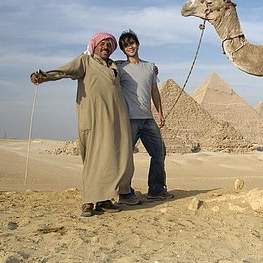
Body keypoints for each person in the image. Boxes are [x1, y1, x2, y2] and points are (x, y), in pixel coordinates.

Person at [30, 32, 138, 217]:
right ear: (94, 46)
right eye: (102, 44)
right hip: (95, 120)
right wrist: (43, 76)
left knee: (113, 159)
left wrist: (152, 69)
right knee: (94, 160)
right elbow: (64, 71)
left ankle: (105, 199)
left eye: (109, 45)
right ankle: (89, 201)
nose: (105, 47)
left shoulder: (114, 66)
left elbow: (137, 69)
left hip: (116, 121)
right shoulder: (85, 61)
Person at [117, 29, 173, 201]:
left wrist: (160, 113)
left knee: (159, 153)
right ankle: (123, 192)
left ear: (138, 44)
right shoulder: (119, 67)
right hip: (129, 120)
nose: (130, 47)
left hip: (148, 119)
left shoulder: (150, 67)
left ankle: (156, 190)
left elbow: (154, 91)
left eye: (132, 43)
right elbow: (101, 68)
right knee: (124, 157)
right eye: (126, 45)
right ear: (123, 49)